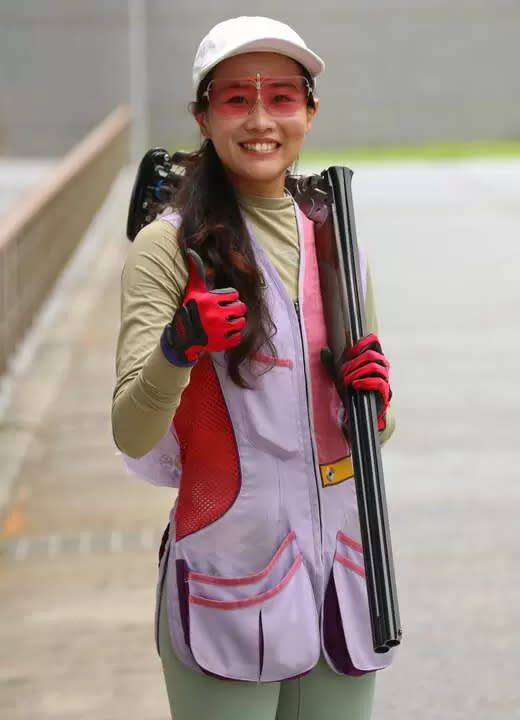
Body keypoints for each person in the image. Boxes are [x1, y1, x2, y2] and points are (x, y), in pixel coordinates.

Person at [112, 15, 397, 720]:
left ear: (310, 110)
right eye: (237, 98)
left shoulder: (336, 239)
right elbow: (131, 431)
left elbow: (366, 435)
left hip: (341, 579)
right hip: (229, 577)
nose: (261, 118)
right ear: (204, 116)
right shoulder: (166, 247)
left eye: (282, 97)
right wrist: (179, 348)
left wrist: (375, 404)